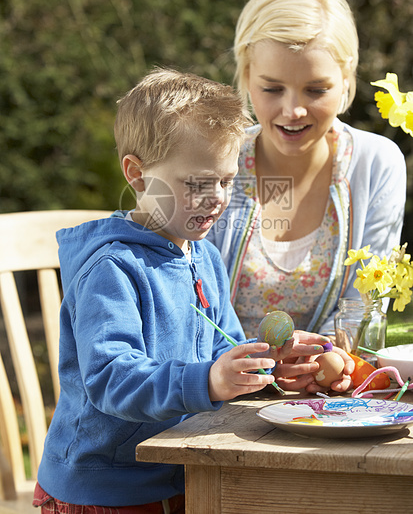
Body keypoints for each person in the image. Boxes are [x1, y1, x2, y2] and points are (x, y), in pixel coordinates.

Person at [33, 68, 333, 513]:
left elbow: (221, 351)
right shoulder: (112, 269)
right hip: (106, 487)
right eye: (197, 183)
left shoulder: (203, 255)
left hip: (183, 469)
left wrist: (265, 368)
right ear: (137, 174)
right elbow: (111, 379)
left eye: (227, 181)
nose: (216, 198)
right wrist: (208, 379)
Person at [208, 0, 406, 389]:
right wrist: (259, 368)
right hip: (213, 404)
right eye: (272, 88)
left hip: (330, 404)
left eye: (316, 90)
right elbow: (183, 303)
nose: (293, 109)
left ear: (346, 79)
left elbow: (364, 308)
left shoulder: (376, 163)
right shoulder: (212, 161)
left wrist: (321, 363)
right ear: (246, 76)